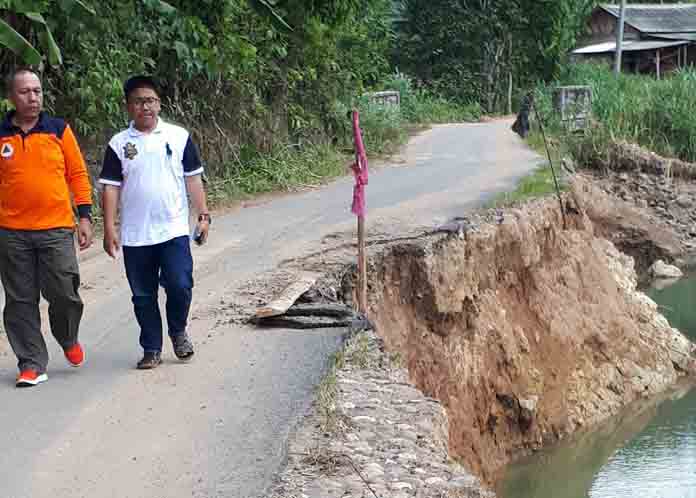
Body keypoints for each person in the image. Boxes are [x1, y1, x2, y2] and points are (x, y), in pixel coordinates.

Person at [99, 75, 210, 370]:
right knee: (143, 296)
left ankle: (178, 331)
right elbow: (110, 187)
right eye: (138, 101)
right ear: (128, 106)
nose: (144, 106)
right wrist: (109, 227)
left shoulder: (178, 137)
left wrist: (203, 215)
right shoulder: (119, 144)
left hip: (173, 229)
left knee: (180, 284)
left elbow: (193, 178)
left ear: (159, 104)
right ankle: (151, 348)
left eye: (150, 100)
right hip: (136, 236)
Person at [0, 68, 93, 387]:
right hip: (11, 232)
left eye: (37, 91)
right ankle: (31, 363)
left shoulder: (58, 130)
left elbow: (78, 175)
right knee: (19, 300)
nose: (33, 97)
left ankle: (67, 337)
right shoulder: (1, 135)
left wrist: (84, 217)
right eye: (25, 91)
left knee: (64, 293)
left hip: (55, 229)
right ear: (12, 97)